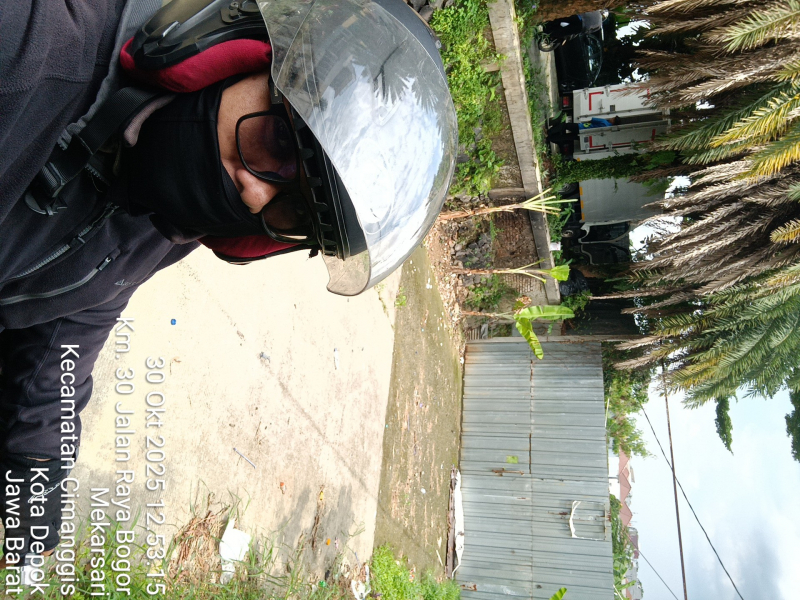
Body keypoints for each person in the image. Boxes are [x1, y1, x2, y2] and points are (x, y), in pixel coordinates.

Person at [0, 0, 457, 568]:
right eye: (280, 142)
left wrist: (32, 498)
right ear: (225, 50)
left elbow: (73, 323)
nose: (256, 195)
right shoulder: (27, 52)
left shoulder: (166, 218)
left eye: (294, 209)